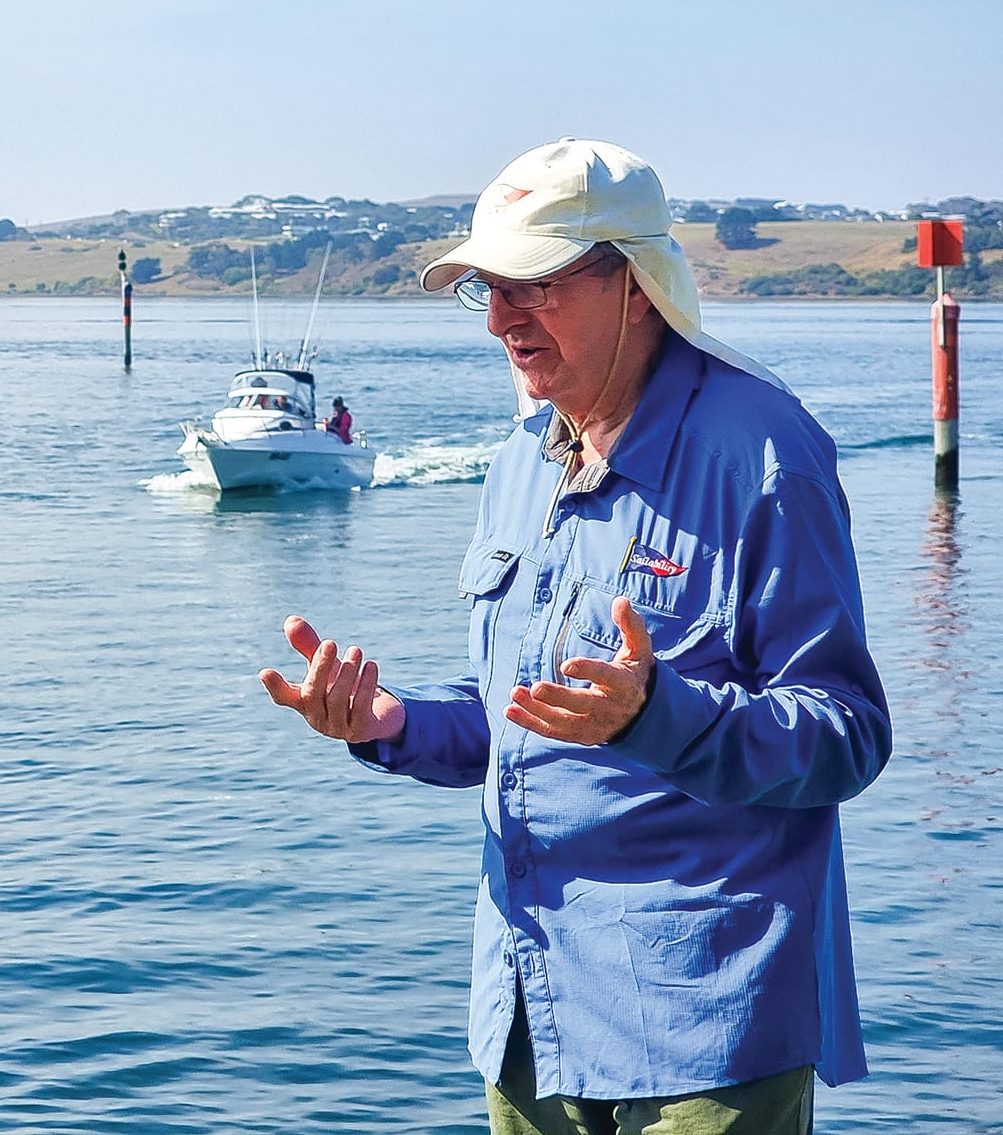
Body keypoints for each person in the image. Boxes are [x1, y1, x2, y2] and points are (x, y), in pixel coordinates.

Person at [259, 139, 890, 1134]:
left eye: (533, 285)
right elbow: (511, 717)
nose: (503, 317)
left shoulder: (762, 453)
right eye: (486, 290)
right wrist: (386, 723)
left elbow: (844, 735)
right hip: (525, 1012)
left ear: (634, 284)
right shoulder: (521, 458)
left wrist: (656, 715)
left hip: (700, 1029)